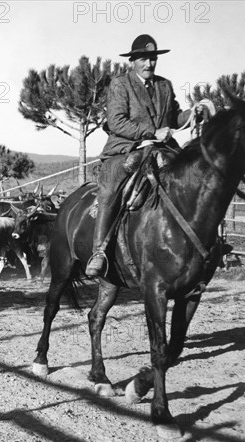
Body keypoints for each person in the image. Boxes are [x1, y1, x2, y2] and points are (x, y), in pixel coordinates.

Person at [85, 34, 207, 277]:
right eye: (143, 59)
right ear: (133, 61)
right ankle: (99, 251)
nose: (149, 63)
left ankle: (205, 241)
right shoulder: (120, 84)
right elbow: (116, 121)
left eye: (152, 58)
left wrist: (193, 114)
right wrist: (150, 131)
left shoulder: (164, 85)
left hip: (163, 149)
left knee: (197, 178)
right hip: (125, 150)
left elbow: (174, 117)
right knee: (111, 187)